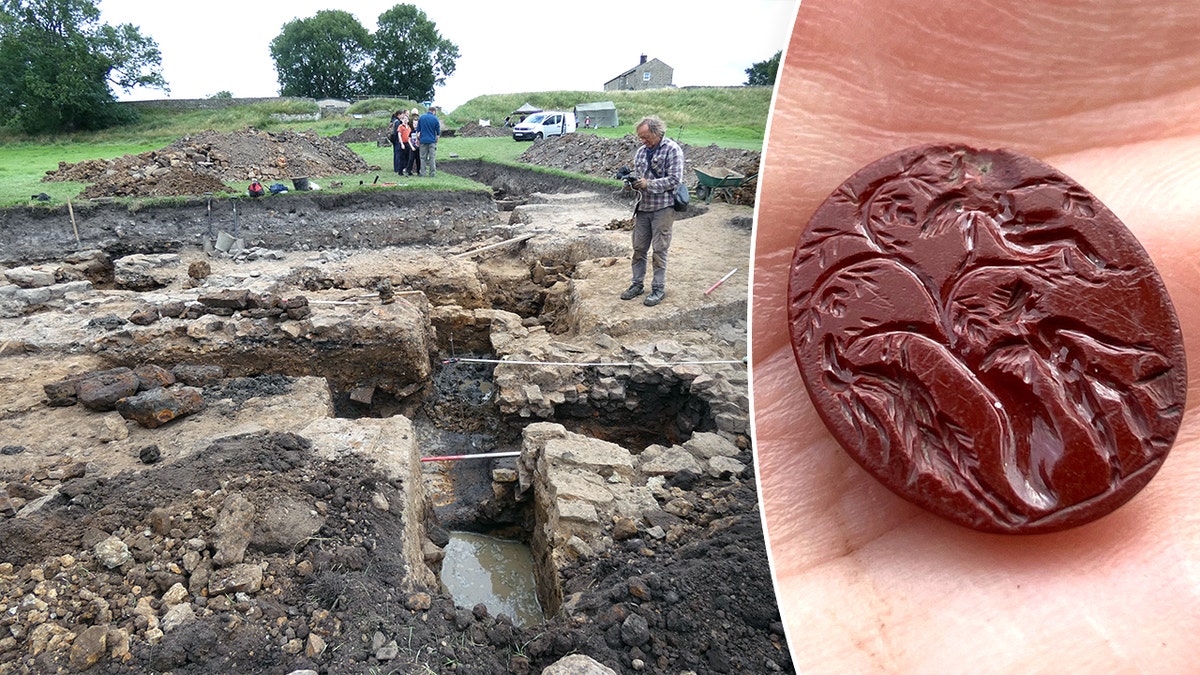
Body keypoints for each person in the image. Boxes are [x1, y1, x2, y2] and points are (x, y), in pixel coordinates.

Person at [751, 1, 1200, 673]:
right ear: (903, 223)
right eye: (960, 215)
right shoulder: (908, 316)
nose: (983, 224)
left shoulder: (1008, 290)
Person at [619, 115, 684, 307]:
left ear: (657, 132)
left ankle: (658, 288)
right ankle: (636, 284)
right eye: (640, 137)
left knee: (659, 250)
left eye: (646, 136)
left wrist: (649, 184)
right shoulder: (640, 152)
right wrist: (631, 184)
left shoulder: (672, 150)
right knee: (639, 248)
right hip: (643, 207)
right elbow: (640, 177)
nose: (643, 141)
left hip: (663, 207)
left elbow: (674, 180)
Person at [416, 106, 441, 178]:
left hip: (423, 140)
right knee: (432, 157)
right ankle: (432, 174)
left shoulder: (421, 117)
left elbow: (418, 131)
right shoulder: (435, 119)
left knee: (423, 158)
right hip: (432, 141)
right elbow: (438, 133)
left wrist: (418, 140)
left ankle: (423, 173)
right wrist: (436, 141)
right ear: (434, 111)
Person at [388, 110, 405, 175]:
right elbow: (397, 132)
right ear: (399, 115)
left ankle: (396, 167)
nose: (403, 116)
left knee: (395, 153)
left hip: (393, 139)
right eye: (402, 115)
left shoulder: (393, 120)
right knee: (398, 154)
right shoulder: (397, 122)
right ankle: (397, 168)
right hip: (397, 140)